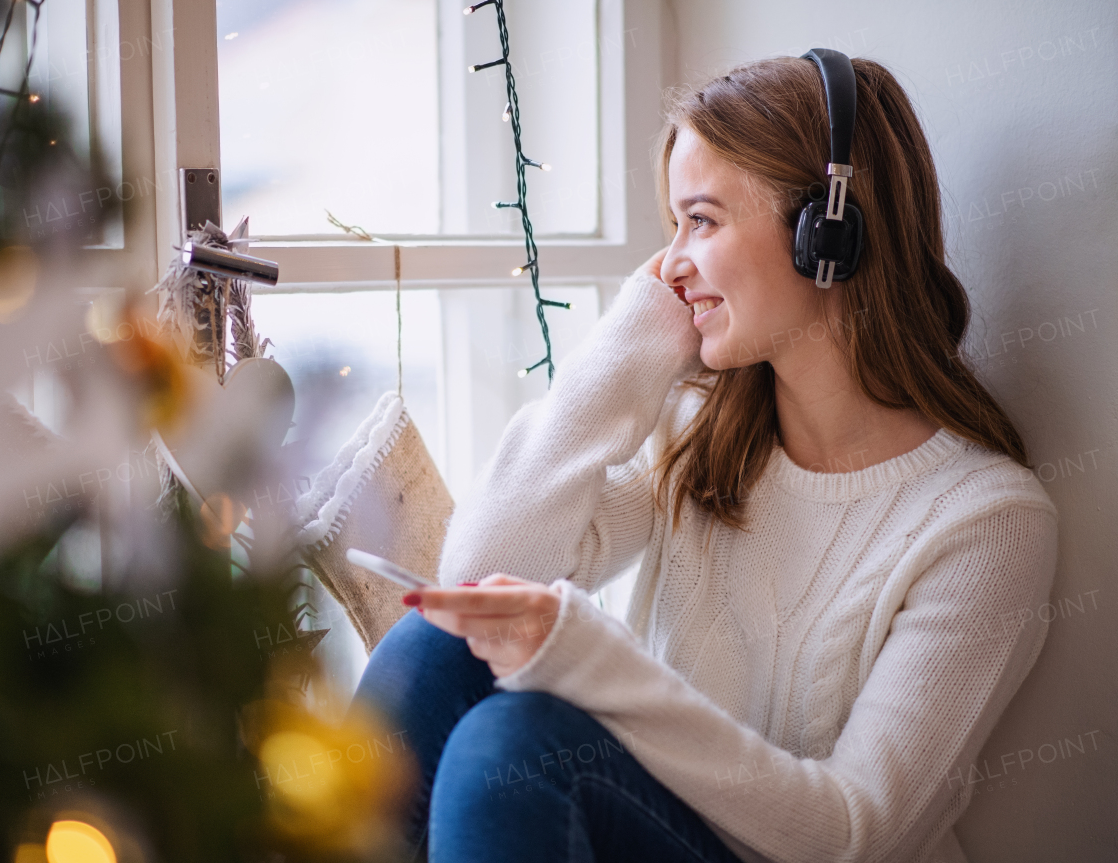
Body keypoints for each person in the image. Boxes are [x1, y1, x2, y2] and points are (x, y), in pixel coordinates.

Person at [353, 53, 1057, 863]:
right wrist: (629, 351)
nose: (671, 265)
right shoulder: (701, 436)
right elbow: (479, 567)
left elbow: (854, 833)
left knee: (518, 743)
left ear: (825, 233)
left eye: (704, 220)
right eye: (673, 225)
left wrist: (588, 657)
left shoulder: (986, 523)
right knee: (435, 644)